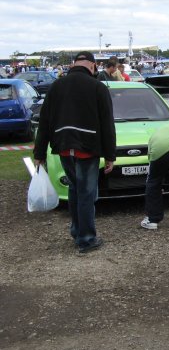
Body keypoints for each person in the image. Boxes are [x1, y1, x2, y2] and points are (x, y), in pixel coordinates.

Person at [33, 51, 116, 253]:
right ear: (93, 66)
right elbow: (107, 123)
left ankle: (77, 230)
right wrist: (110, 155)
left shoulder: (56, 86)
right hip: (87, 148)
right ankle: (86, 239)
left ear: (74, 64)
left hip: (63, 146)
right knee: (86, 194)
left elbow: (44, 121)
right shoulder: (97, 87)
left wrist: (39, 153)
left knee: (74, 189)